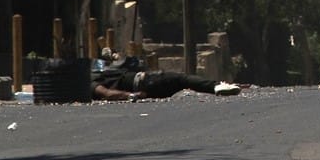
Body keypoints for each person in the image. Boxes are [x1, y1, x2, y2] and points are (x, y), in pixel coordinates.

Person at [91, 49, 241, 101]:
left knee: (180, 81)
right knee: (181, 79)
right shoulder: (89, 81)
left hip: (145, 83)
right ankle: (216, 86)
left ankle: (216, 86)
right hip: (144, 83)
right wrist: (132, 96)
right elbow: (106, 93)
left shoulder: (99, 72)